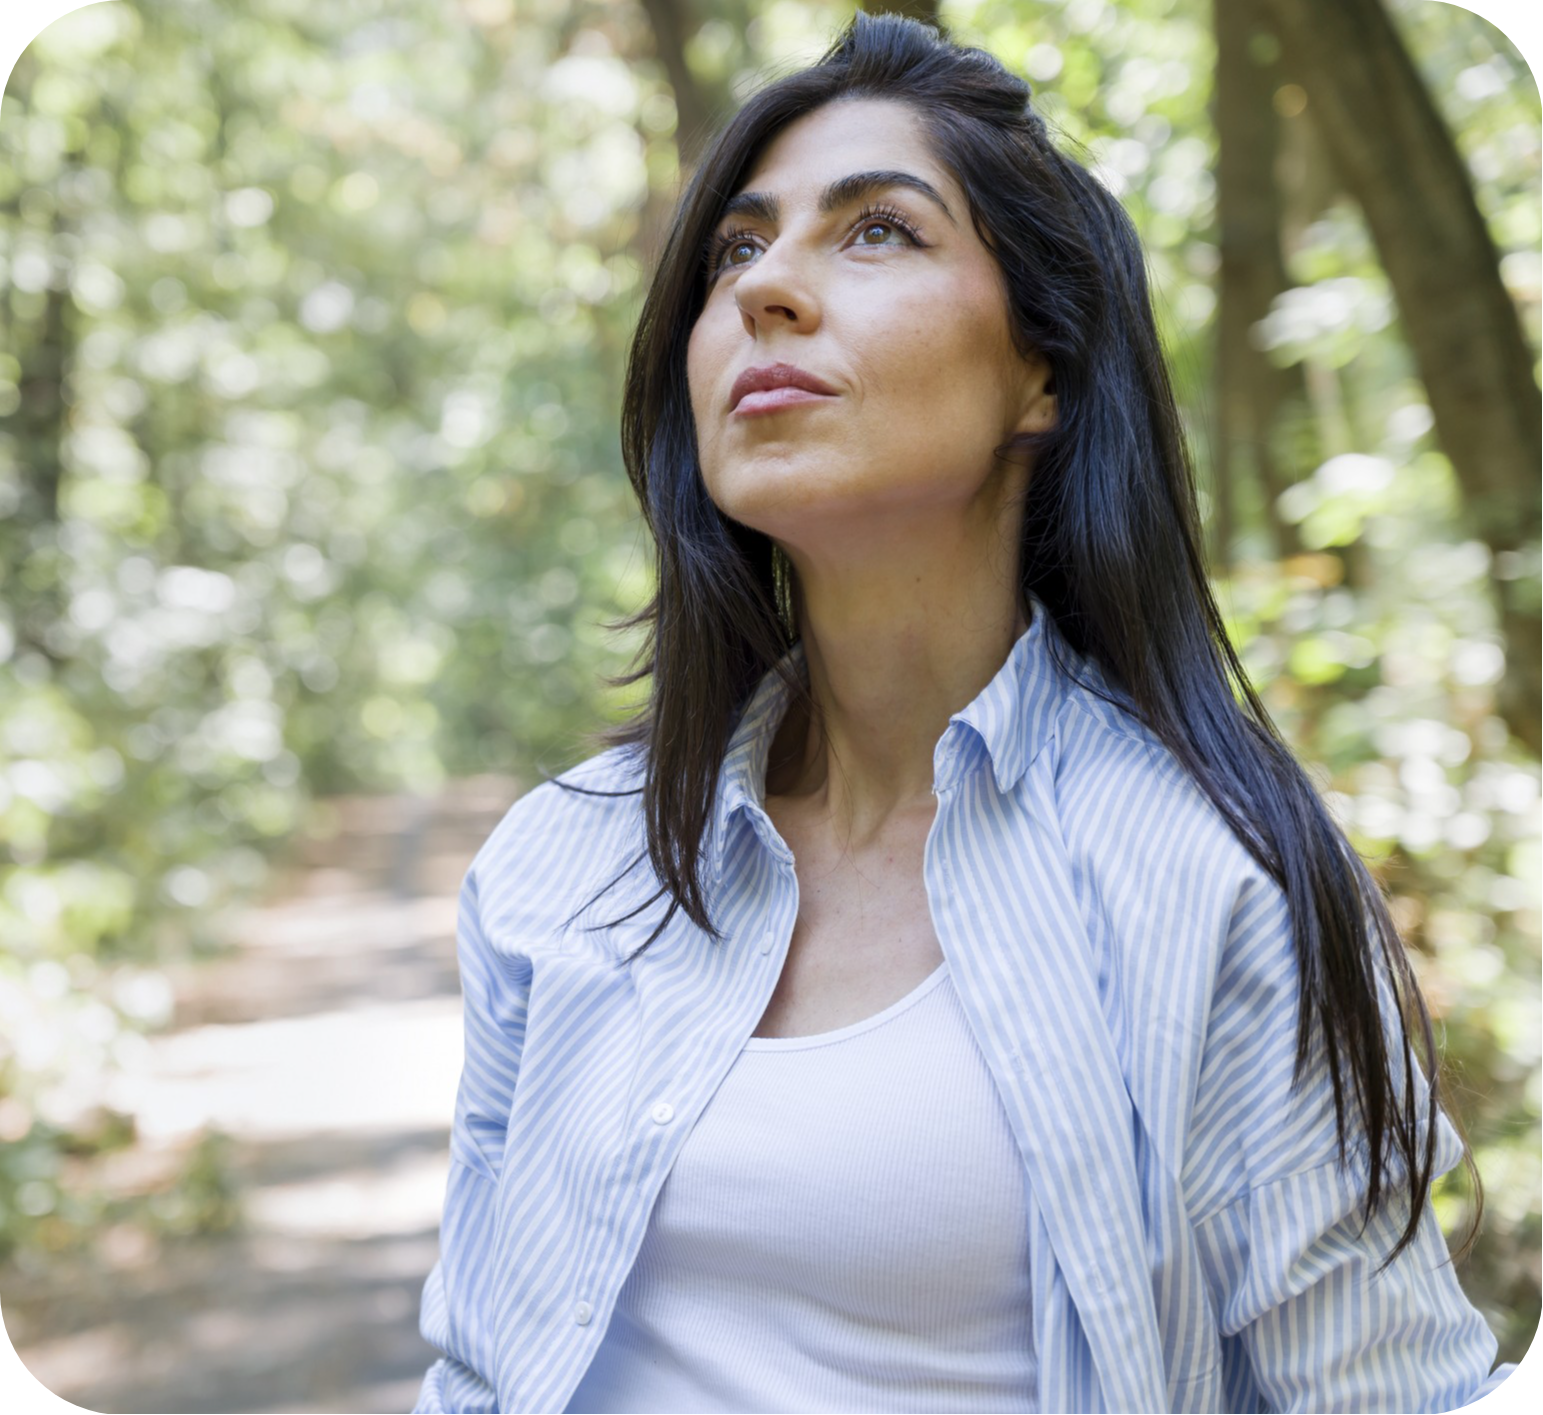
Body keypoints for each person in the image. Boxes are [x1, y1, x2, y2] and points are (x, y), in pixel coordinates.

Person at [413, 13, 1516, 1413]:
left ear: (1041, 373)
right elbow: (472, 1373)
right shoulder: (558, 865)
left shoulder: (1211, 883)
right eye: (734, 251)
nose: (769, 290)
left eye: (876, 232)